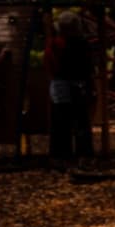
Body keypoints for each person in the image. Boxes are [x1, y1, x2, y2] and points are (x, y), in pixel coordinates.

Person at [46, 10, 95, 163]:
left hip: (61, 84)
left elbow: (50, 64)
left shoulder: (56, 44)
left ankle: (61, 154)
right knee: (81, 121)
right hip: (78, 84)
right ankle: (84, 154)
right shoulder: (82, 44)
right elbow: (88, 67)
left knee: (61, 121)